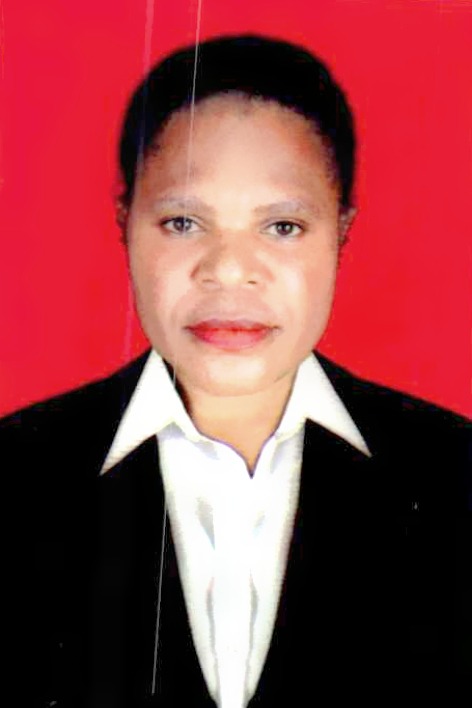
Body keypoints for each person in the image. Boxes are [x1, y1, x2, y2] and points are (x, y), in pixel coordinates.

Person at [2, 34, 470, 708]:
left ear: (341, 231)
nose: (227, 270)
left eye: (282, 227)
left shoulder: (455, 473)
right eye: (182, 222)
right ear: (125, 222)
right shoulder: (13, 474)